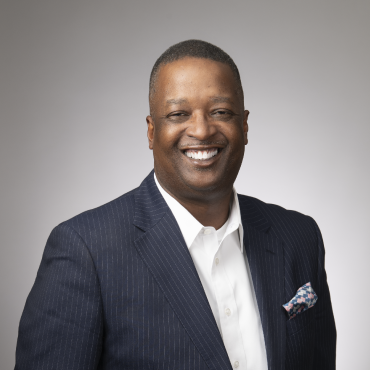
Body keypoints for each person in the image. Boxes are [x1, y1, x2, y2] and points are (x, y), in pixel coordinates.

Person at [15, 40, 336, 370]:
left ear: (245, 125)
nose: (201, 129)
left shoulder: (299, 237)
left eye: (221, 112)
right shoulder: (86, 252)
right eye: (179, 114)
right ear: (152, 131)